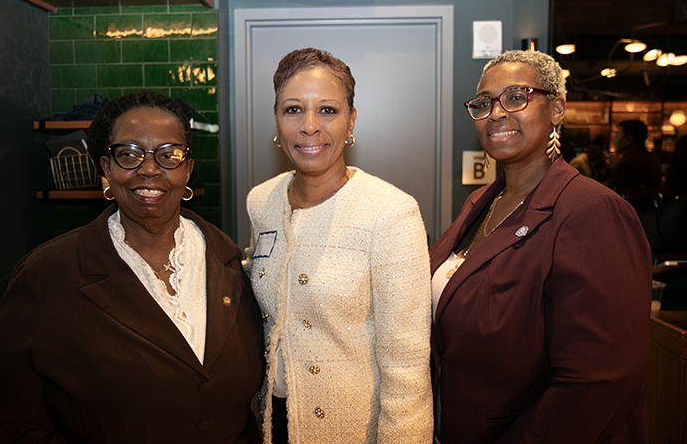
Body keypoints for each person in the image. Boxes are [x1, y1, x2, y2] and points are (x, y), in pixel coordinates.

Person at [0, 91, 265, 443]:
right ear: (106, 168)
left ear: (187, 169)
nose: (149, 169)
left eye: (169, 155)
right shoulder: (48, 274)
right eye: (129, 154)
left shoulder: (229, 262)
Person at [431, 50, 651, 443]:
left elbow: (598, 379)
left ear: (557, 110)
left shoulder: (592, 210)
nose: (496, 114)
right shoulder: (481, 202)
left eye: (516, 98)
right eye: (484, 103)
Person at [245, 48, 433, 443]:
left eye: (327, 110)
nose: (309, 126)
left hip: (350, 429)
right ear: (276, 120)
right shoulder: (261, 202)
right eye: (293, 110)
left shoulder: (390, 213)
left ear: (351, 120)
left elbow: (407, 368)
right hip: (271, 422)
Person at [607, 119, 663, 197]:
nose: (614, 140)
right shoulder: (653, 158)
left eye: (617, 135)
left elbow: (610, 192)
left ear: (629, 140)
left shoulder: (628, 163)